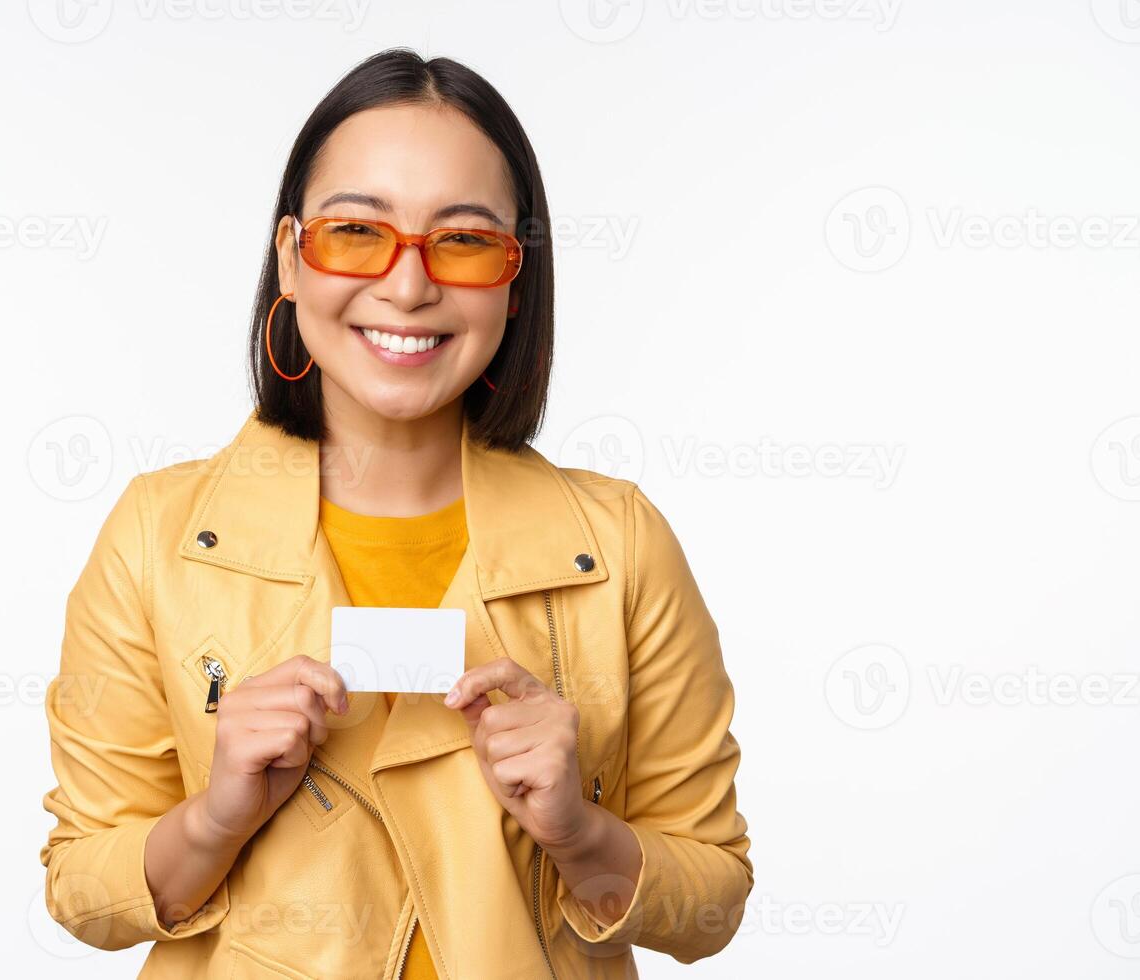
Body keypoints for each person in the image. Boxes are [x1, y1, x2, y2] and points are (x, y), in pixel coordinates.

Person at [40, 47, 752, 980]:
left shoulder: (616, 545)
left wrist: (578, 833)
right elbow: (80, 891)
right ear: (292, 259)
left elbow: (712, 904)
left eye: (461, 240)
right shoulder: (158, 536)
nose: (408, 286)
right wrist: (216, 816)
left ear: (514, 275)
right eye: (356, 233)